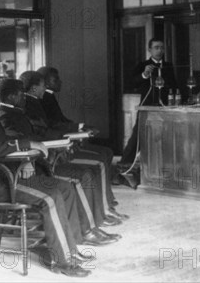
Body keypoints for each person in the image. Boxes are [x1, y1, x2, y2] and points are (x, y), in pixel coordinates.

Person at [0, 71, 95, 277]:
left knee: (65, 188)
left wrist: (26, 157)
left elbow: (2, 144)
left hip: (10, 176)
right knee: (52, 197)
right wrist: (27, 144)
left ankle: (70, 249)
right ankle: (62, 261)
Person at [0, 78, 122, 235]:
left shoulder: (14, 112)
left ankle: (96, 220)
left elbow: (37, 136)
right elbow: (21, 142)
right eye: (22, 95)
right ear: (11, 97)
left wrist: (59, 142)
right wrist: (29, 158)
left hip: (42, 161)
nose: (25, 98)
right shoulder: (4, 116)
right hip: (31, 169)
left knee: (86, 173)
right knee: (82, 177)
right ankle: (87, 229)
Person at [19, 71, 126, 223]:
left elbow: (50, 126)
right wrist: (70, 135)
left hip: (51, 150)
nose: (46, 88)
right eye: (44, 85)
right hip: (45, 158)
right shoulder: (30, 104)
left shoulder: (36, 101)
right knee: (93, 167)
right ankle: (100, 212)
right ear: (35, 88)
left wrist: (77, 130)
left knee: (98, 162)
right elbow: (45, 130)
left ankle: (103, 208)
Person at [119, 39, 178, 186]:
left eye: (162, 48)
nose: (160, 50)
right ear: (149, 50)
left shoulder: (168, 66)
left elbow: (175, 84)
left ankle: (162, 169)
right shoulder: (142, 65)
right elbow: (132, 83)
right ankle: (124, 166)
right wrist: (145, 75)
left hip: (165, 107)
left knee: (165, 136)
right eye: (156, 47)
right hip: (147, 106)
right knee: (138, 136)